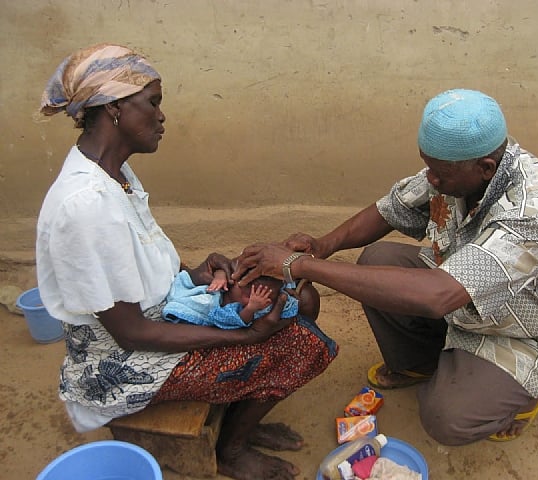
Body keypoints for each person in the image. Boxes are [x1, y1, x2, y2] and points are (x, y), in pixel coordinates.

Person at [36, 43, 337, 480]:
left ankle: (242, 420)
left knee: (295, 296)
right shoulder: (84, 204)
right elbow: (132, 332)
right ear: (115, 108)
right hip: (121, 362)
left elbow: (134, 268)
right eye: (153, 103)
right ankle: (231, 451)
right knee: (298, 345)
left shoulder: (112, 174)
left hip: (154, 316)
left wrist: (195, 273)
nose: (162, 117)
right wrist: (245, 337)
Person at [233, 89, 538, 446]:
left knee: (446, 418)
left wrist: (301, 266)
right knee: (377, 260)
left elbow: (439, 295)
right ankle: (421, 362)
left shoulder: (533, 210)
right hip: (463, 298)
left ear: (485, 169)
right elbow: (391, 208)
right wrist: (323, 246)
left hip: (525, 329)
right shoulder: (459, 168)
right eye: (429, 167)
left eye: (439, 173)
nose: (431, 180)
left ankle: (523, 396)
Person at [162, 267, 303, 329]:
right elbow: (221, 269)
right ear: (236, 281)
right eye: (248, 295)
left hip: (218, 312)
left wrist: (251, 309)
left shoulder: (245, 308)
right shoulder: (232, 278)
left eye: (267, 298)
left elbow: (236, 321)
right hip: (208, 296)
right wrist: (220, 276)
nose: (251, 301)